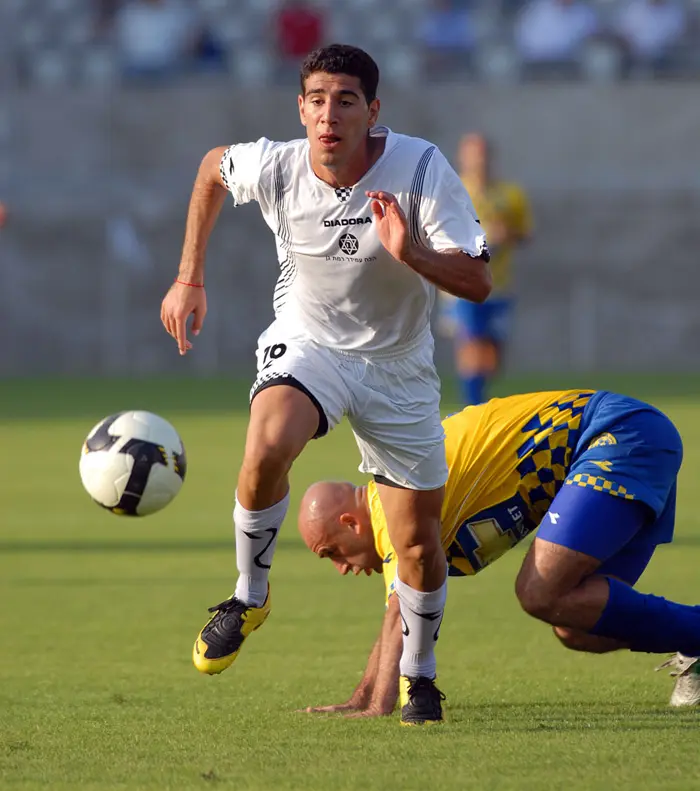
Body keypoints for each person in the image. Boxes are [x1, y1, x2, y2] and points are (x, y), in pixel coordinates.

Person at [160, 44, 492, 726]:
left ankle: (419, 679)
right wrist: (189, 273)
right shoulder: (278, 163)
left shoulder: (421, 166)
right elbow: (209, 169)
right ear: (301, 109)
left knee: (420, 543)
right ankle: (250, 596)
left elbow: (479, 281)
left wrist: (413, 253)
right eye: (316, 99)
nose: (328, 114)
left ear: (373, 110)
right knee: (267, 444)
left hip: (399, 366)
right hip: (311, 342)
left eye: (345, 100)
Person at [296, 389, 699, 717]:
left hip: (613, 434)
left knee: (540, 592)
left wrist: (371, 703)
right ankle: (691, 642)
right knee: (576, 626)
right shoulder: (393, 491)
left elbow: (400, 610)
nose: (340, 568)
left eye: (332, 552)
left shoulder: (391, 504)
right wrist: (365, 696)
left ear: (351, 522)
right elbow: (401, 611)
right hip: (635, 438)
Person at [440, 133, 531, 407]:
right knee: (472, 346)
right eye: (472, 154)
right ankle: (473, 407)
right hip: (461, 285)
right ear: (462, 157)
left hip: (499, 285)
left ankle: (478, 399)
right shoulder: (452, 192)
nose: (478, 160)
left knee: (492, 356)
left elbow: (525, 233)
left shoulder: (510, 194)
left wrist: (506, 235)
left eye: (482, 154)